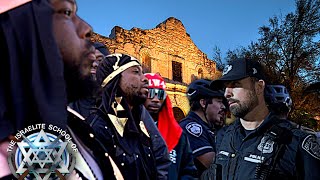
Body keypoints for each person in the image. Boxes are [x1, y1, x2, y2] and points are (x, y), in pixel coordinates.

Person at [209, 58, 320, 179]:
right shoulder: (222, 136)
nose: (227, 93)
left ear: (259, 87)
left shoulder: (294, 142)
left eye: (235, 84)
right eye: (225, 87)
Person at [81, 53, 171, 179]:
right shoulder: (97, 129)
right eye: (136, 72)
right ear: (115, 79)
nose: (145, 79)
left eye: (142, 72)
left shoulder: (141, 125)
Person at [143, 73, 198, 179]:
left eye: (160, 94)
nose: (155, 99)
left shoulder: (177, 134)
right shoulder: (128, 129)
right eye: (150, 93)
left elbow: (188, 171)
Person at [179, 79, 226, 177]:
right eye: (219, 102)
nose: (223, 107)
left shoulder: (206, 127)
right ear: (203, 103)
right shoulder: (191, 128)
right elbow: (217, 166)